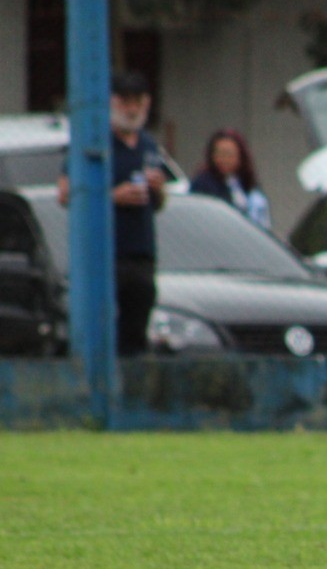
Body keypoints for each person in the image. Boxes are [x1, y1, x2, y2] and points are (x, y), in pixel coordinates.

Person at [56, 70, 167, 356]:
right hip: (104, 255)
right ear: (111, 103)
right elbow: (65, 194)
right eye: (124, 101)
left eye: (138, 102)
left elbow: (159, 204)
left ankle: (131, 393)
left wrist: (159, 189)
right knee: (101, 332)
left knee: (136, 335)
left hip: (141, 256)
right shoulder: (94, 143)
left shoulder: (149, 145)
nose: (131, 109)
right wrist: (112, 197)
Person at [189, 129, 272, 231]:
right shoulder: (203, 183)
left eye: (229, 154)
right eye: (220, 154)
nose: (225, 159)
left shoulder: (245, 182)